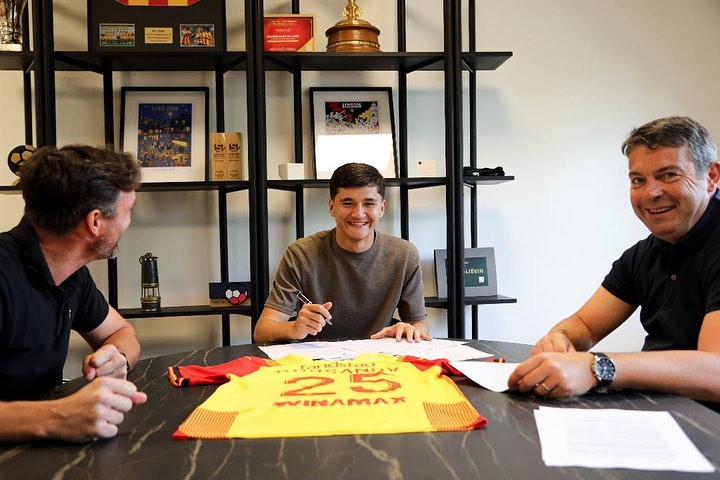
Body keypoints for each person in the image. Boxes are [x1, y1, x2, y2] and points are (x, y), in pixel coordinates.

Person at [508, 116, 720, 409]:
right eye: (638, 180)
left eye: (669, 175)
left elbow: (715, 372)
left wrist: (597, 368)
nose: (651, 193)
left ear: (711, 177)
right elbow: (585, 325)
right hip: (663, 413)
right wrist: (560, 338)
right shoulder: (643, 254)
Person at [0, 145, 147, 442]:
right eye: (127, 211)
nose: (128, 223)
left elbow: (120, 331)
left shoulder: (72, 274)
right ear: (95, 222)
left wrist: (116, 356)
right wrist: (59, 416)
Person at [253, 162, 430, 343]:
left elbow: (419, 324)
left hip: (381, 361)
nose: (358, 214)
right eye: (347, 203)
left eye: (369, 203)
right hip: (315, 363)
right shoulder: (300, 254)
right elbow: (262, 330)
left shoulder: (404, 254)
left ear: (382, 208)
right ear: (332, 207)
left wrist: (409, 328)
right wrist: (295, 327)